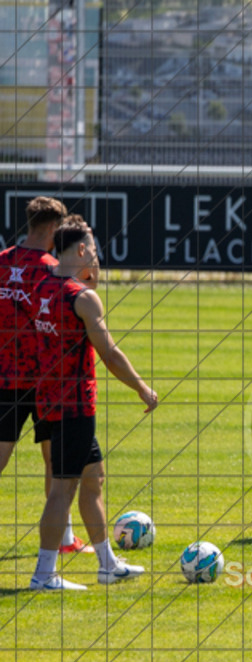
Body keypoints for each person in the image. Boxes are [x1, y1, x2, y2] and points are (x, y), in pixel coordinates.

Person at [29, 216, 159, 590]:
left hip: (47, 400)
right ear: (83, 250)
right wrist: (141, 387)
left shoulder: (42, 284)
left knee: (93, 479)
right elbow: (110, 353)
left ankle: (106, 564)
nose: (99, 261)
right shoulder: (83, 297)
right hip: (74, 405)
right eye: (96, 253)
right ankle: (44, 574)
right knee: (62, 490)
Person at [0, 197, 91, 554]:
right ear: (54, 229)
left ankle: (66, 539)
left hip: (5, 377)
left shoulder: (2, 262)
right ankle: (65, 539)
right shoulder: (55, 269)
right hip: (46, 381)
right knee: (56, 462)